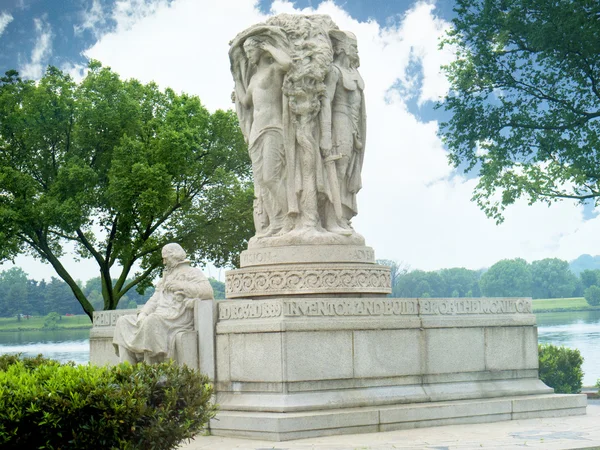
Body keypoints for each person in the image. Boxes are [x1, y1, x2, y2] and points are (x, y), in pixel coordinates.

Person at [113, 243, 213, 364]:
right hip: (160, 316)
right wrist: (143, 313)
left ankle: (152, 372)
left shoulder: (192, 272)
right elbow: (154, 299)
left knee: (152, 321)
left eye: (165, 258)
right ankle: (127, 372)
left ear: (174, 256)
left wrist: (181, 285)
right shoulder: (165, 277)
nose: (164, 262)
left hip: (176, 317)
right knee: (123, 322)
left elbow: (207, 291)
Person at [232, 35, 292, 238]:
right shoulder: (254, 79)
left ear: (260, 50)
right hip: (256, 131)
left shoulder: (274, 68)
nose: (249, 55)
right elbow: (245, 101)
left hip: (273, 128)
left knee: (271, 176)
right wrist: (237, 82)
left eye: (251, 50)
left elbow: (287, 63)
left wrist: (269, 46)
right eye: (247, 52)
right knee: (262, 182)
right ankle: (276, 223)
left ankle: (290, 219)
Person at [320, 30, 366, 235]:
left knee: (348, 174)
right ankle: (331, 219)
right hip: (339, 123)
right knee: (337, 172)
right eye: (352, 45)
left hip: (354, 128)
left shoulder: (355, 74)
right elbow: (325, 104)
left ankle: (343, 217)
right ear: (342, 48)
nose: (355, 50)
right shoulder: (335, 71)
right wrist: (326, 136)